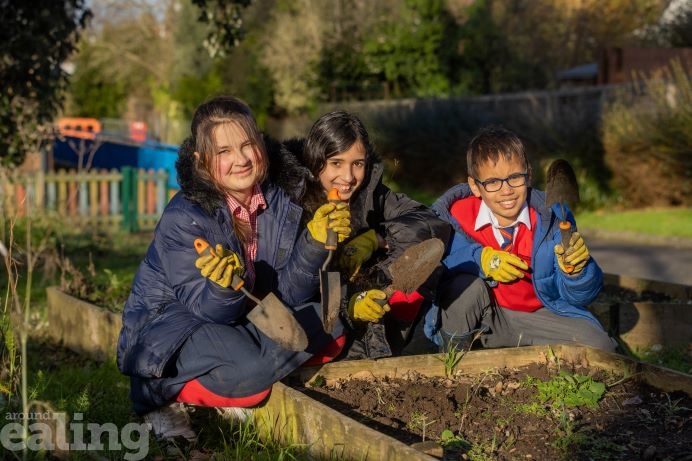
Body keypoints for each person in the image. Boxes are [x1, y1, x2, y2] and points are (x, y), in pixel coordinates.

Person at [116, 96, 352, 445]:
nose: (240, 160)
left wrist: (315, 244)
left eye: (247, 145)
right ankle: (154, 394)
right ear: (201, 161)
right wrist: (224, 285)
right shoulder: (184, 216)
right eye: (224, 151)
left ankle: (237, 376)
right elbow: (209, 310)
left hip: (244, 318)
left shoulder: (281, 199)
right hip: (173, 325)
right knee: (252, 368)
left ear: (260, 142)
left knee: (331, 325)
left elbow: (285, 295)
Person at [425, 125, 616, 353]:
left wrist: (577, 273)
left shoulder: (553, 218)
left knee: (601, 347)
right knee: (464, 286)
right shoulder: (454, 216)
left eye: (514, 177)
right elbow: (437, 264)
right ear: (475, 186)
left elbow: (577, 297)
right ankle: (453, 363)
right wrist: (481, 259)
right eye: (492, 182)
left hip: (538, 316)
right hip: (485, 318)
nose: (506, 190)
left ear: (528, 175)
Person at [295, 110, 451, 358]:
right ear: (316, 163)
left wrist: (376, 237)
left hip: (380, 318)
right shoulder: (293, 206)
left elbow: (434, 225)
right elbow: (296, 286)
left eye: (357, 164)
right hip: (320, 336)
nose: (347, 178)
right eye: (336, 163)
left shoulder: (372, 195)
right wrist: (350, 306)